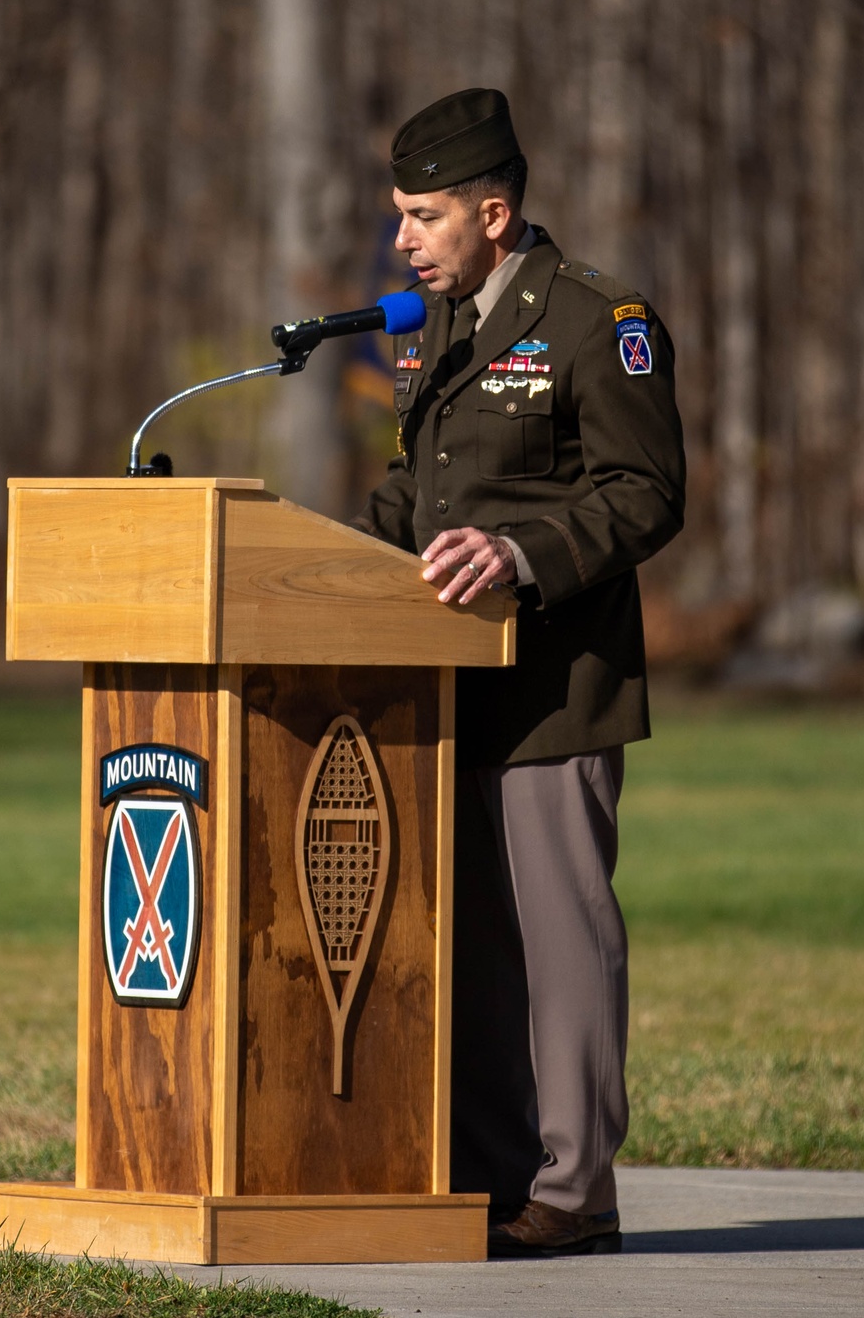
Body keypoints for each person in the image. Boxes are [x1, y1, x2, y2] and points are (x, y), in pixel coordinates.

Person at [351, 88, 686, 1257]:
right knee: (478, 953)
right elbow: (423, 496)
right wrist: (333, 553)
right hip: (448, 691)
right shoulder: (437, 323)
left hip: (555, 682)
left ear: (492, 212)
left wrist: (519, 552)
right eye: (400, 214)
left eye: (423, 214)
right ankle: (493, 1180)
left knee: (560, 940)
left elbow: (645, 494)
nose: (403, 237)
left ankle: (573, 1187)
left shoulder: (600, 318)